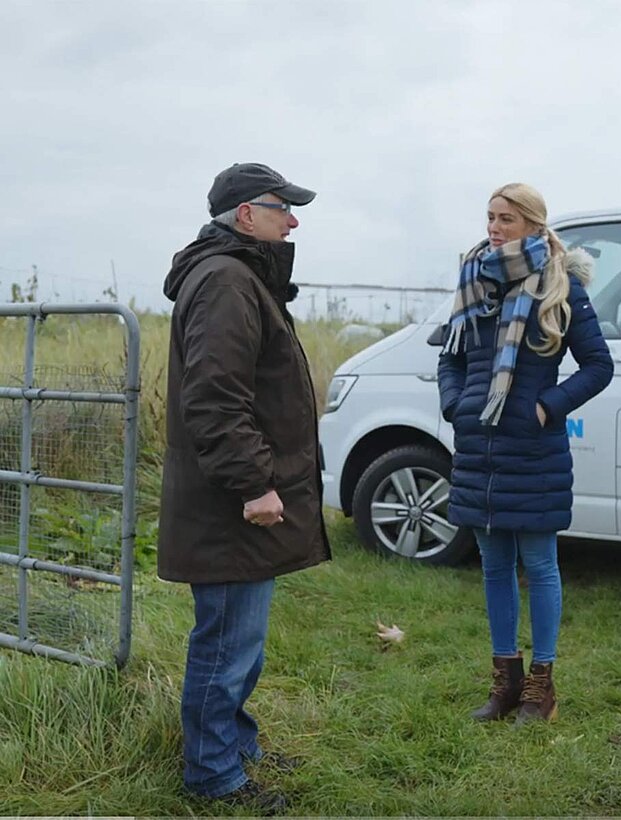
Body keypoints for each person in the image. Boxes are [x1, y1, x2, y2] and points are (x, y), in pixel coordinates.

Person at [158, 162, 331, 813]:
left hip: (230, 501)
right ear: (244, 214)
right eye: (281, 206)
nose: (293, 219)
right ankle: (213, 775)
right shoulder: (229, 282)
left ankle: (235, 745)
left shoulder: (239, 278)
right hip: (229, 504)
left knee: (239, 643)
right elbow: (214, 398)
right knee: (227, 643)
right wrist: (255, 483)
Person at [438, 182, 613, 724]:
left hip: (533, 450)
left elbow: (597, 366)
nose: (494, 228)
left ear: (535, 226)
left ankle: (543, 687)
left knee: (538, 565)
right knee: (493, 565)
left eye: (506, 219)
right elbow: (451, 356)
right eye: (490, 217)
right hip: (480, 449)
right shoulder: (475, 283)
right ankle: (505, 682)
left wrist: (545, 407)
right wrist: (457, 404)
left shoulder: (560, 288)